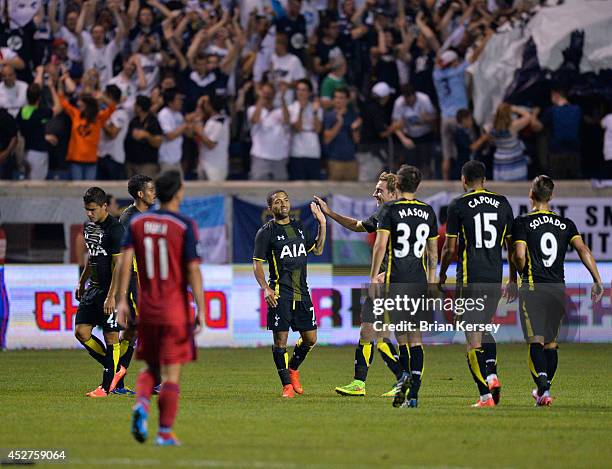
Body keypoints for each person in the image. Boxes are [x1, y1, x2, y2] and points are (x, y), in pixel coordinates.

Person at [117, 170, 205, 446]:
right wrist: (201, 308)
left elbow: (123, 262)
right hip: (174, 308)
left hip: (148, 306)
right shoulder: (184, 225)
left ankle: (141, 404)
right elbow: (192, 270)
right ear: (178, 192)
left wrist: (121, 300)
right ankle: (164, 432)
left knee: (150, 368)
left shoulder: (137, 223)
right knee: (170, 374)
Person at [512, 175, 603, 406]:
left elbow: (520, 254)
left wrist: (522, 275)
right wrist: (597, 279)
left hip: (534, 287)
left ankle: (542, 386)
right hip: (557, 289)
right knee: (551, 344)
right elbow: (583, 249)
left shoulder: (522, 223)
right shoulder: (566, 224)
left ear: (531, 194)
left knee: (536, 341)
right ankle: (544, 392)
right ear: (551, 196)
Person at [315, 173, 406, 397]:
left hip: (393, 283)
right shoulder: (386, 214)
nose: (374, 193)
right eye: (375, 189)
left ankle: (402, 380)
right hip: (387, 283)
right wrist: (330, 213)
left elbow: (417, 251)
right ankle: (364, 383)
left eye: (380, 190)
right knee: (376, 335)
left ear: (394, 193)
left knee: (377, 334)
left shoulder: (400, 217)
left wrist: (388, 273)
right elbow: (358, 225)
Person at [438, 161, 516, 408]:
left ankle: (485, 396)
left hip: (469, 277)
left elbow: (450, 248)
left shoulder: (458, 205)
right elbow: (513, 248)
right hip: (494, 276)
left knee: (472, 337)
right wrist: (513, 279)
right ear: (484, 179)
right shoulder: (503, 203)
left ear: (463, 179)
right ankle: (491, 375)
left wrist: (441, 275)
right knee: (484, 328)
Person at [370, 165, 439, 408]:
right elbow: (433, 254)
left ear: (397, 185)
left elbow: (380, 246)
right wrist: (432, 283)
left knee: (381, 338)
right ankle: (413, 396)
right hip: (419, 281)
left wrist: (372, 277)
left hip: (396, 280)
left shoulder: (391, 209)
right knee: (415, 339)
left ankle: (402, 377)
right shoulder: (428, 211)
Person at [252, 190, 327, 398]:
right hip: (280, 294)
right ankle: (286, 385)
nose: (283, 204)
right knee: (280, 341)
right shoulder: (266, 232)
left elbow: (318, 250)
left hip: (302, 293)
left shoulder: (298, 227)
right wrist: (266, 288)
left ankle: (293, 368)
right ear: (270, 208)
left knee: (311, 339)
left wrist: (322, 224)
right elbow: (256, 264)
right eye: (277, 201)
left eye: (285, 200)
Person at [109, 175, 157, 396]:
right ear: (140, 194)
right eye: (150, 189)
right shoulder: (129, 218)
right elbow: (123, 256)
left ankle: (117, 380)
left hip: (146, 280)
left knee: (133, 331)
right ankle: (120, 379)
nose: (154, 193)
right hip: (133, 280)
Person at [74, 187, 124, 398]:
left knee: (111, 336)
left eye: (93, 209)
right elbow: (92, 255)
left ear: (104, 206)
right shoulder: (89, 227)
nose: (89, 214)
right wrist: (81, 281)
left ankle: (105, 387)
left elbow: (119, 265)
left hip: (109, 289)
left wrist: (112, 295)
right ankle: (114, 367)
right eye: (87, 210)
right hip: (93, 288)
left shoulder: (116, 229)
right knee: (81, 332)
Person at [50, 80, 116, 180]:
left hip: (91, 161)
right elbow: (63, 101)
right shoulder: (75, 114)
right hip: (76, 160)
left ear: (87, 105)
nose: (78, 103)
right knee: (77, 192)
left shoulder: (98, 118)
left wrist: (102, 98)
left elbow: (112, 107)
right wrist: (60, 84)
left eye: (81, 102)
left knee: (88, 191)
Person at [433, 50, 468, 180]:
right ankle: (466, 182)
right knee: (464, 153)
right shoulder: (457, 72)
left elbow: (438, 64)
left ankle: (445, 181)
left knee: (447, 155)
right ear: (453, 62)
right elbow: (473, 58)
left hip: (445, 118)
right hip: (459, 117)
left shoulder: (436, 75)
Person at [392, 84, 437, 178]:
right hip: (409, 136)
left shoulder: (424, 99)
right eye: (406, 98)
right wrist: (403, 139)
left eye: (409, 98)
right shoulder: (399, 103)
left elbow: (435, 118)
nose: (408, 101)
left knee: (425, 163)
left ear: (414, 95)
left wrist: (426, 119)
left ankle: (427, 180)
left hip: (425, 135)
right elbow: (395, 125)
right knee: (411, 164)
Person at [247, 82, 291, 180]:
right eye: (265, 93)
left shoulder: (280, 110)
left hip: (279, 157)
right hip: (260, 156)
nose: (267, 96)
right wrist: (261, 100)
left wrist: (282, 98)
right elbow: (255, 120)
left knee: (280, 192)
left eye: (269, 94)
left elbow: (287, 120)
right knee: (258, 189)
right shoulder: (252, 109)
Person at [538, 88, 582, 178]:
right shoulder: (577, 109)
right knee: (574, 180)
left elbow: (537, 127)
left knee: (556, 181)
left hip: (556, 152)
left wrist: (533, 114)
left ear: (555, 95)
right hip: (574, 151)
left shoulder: (551, 110)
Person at [488, 103, 536, 181]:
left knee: (502, 187)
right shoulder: (513, 126)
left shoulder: (493, 127)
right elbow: (528, 116)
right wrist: (516, 108)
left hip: (500, 159)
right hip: (513, 158)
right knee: (516, 187)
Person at [323, 88, 362, 181]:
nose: (338, 100)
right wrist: (339, 123)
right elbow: (326, 139)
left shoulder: (353, 115)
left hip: (351, 160)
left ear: (347, 100)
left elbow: (357, 140)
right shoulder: (328, 115)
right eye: (336, 97)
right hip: (334, 160)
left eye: (341, 98)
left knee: (353, 192)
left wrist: (354, 129)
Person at [16, 83, 53, 180]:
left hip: (26, 152)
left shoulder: (22, 111)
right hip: (38, 154)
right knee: (37, 185)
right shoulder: (40, 113)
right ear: (39, 98)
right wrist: (52, 87)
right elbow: (58, 108)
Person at [288, 79, 322, 180]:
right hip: (297, 152)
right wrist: (301, 110)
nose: (300, 92)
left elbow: (318, 129)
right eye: (298, 90)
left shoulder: (316, 108)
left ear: (309, 92)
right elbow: (297, 128)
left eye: (303, 90)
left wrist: (315, 112)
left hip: (313, 151)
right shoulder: (292, 108)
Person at [193, 95, 230, 181]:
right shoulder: (210, 121)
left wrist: (200, 132)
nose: (204, 105)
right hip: (204, 164)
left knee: (215, 193)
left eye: (205, 103)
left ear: (210, 105)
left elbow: (211, 145)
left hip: (216, 166)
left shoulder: (220, 121)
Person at [125, 95, 163, 178]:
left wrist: (146, 135)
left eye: (135, 105)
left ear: (139, 107)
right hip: (131, 162)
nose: (133, 107)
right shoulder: (134, 121)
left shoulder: (153, 122)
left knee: (145, 189)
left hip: (147, 164)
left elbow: (158, 142)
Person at [97, 84, 128, 180]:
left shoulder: (120, 113)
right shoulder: (105, 112)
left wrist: (101, 121)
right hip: (101, 156)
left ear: (109, 96)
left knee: (113, 193)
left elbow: (113, 133)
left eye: (104, 95)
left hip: (114, 159)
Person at [158, 88, 189, 173]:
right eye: (178, 99)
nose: (181, 102)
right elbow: (170, 136)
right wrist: (184, 126)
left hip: (177, 159)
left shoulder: (179, 114)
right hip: (166, 159)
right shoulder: (163, 114)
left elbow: (187, 133)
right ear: (170, 102)